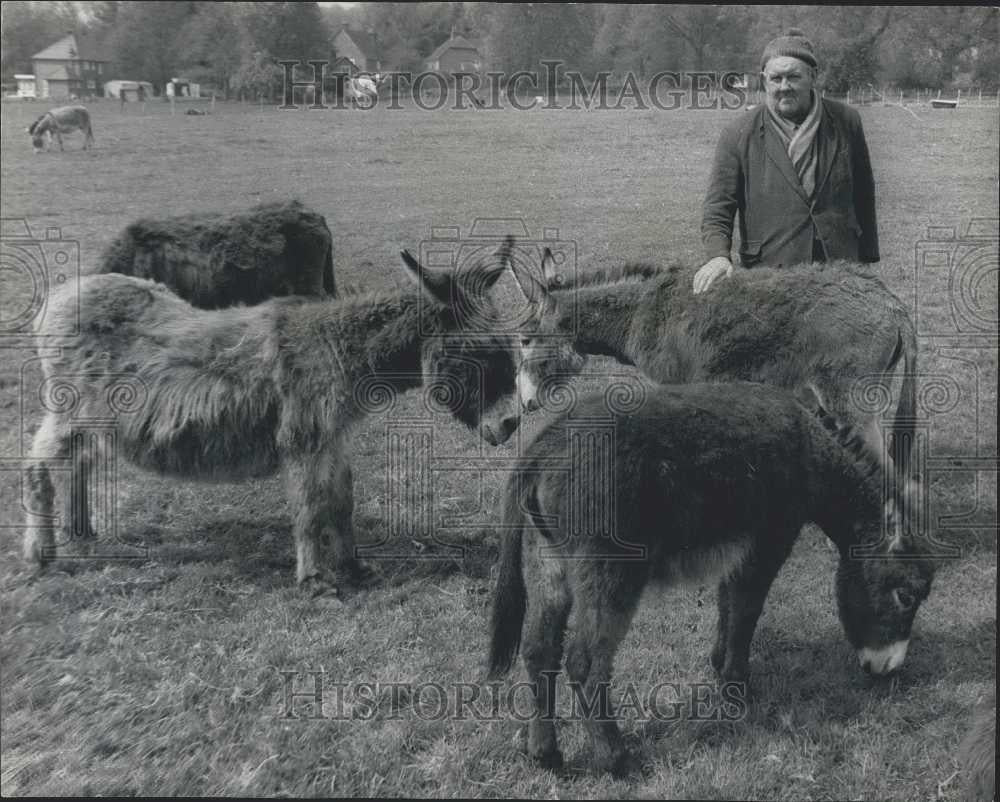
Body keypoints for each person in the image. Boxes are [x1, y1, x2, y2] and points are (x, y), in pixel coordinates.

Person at [694, 29, 880, 294]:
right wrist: (717, 255)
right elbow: (718, 206)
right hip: (770, 273)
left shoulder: (846, 121)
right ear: (763, 81)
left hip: (839, 268)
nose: (784, 87)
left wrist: (867, 258)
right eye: (776, 78)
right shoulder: (738, 133)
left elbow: (864, 192)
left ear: (813, 77)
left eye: (794, 77)